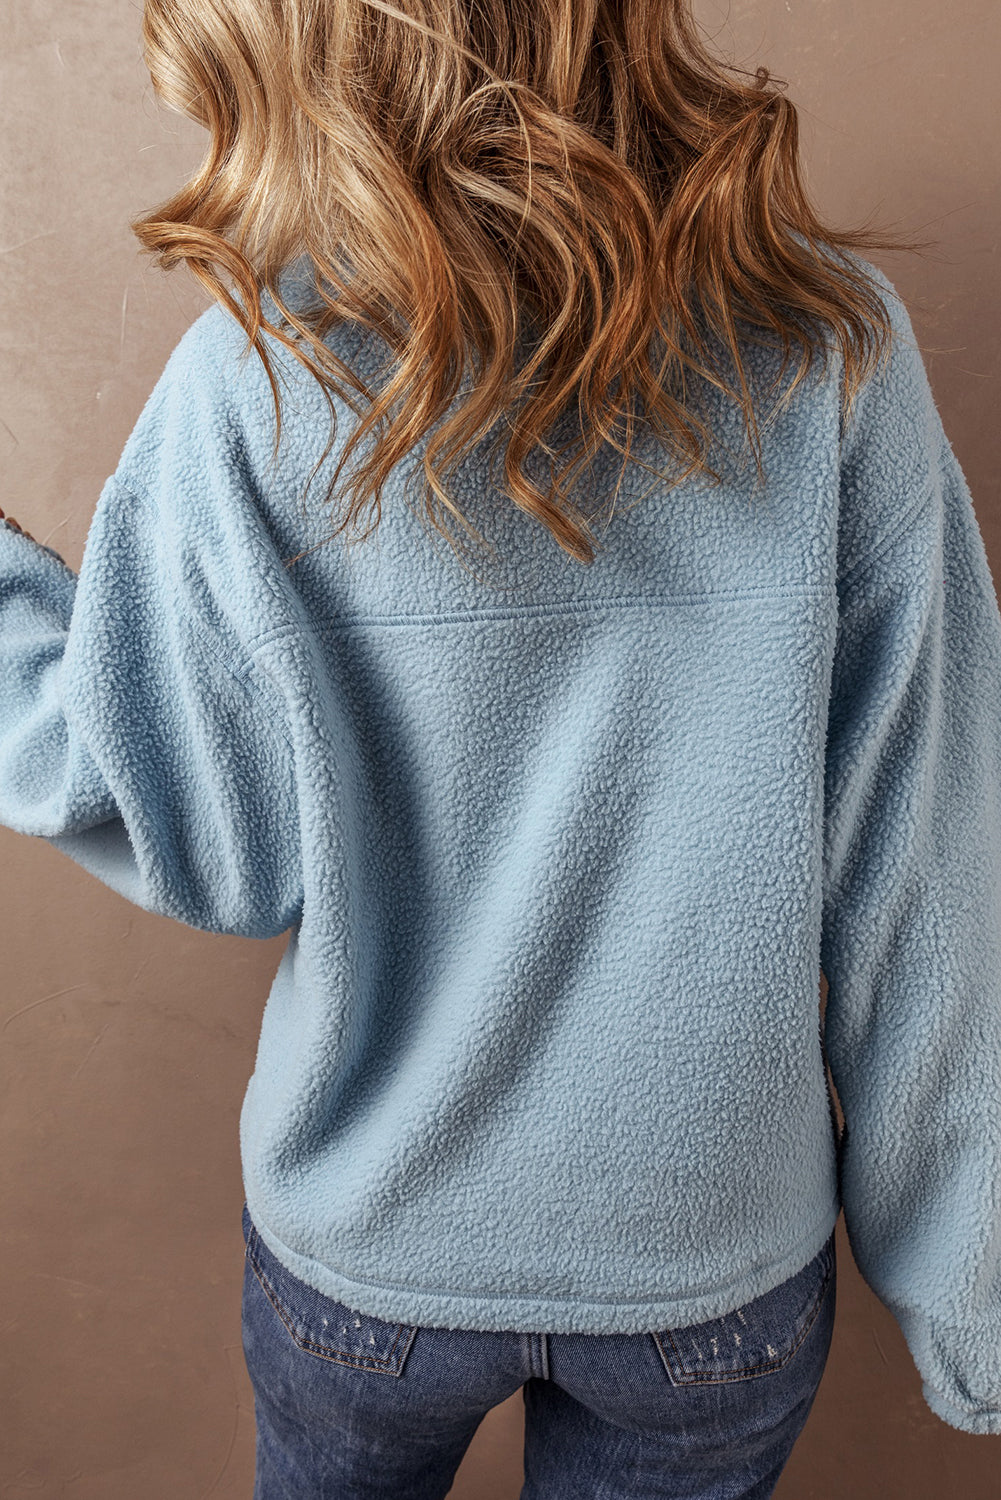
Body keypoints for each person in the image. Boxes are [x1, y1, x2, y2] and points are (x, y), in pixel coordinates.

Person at [3, 1, 1000, 1494]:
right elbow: (931, 860)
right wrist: (971, 1294)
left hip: (371, 1249)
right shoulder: (827, 348)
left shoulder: (257, 376)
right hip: (703, 1265)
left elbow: (190, 836)